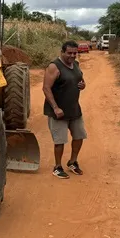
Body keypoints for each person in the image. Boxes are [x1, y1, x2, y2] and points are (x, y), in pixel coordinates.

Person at [43, 40, 87, 179]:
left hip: (74, 109)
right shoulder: (54, 67)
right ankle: (57, 167)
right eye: (69, 53)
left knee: (79, 136)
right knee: (60, 141)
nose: (73, 55)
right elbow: (46, 88)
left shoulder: (76, 65)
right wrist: (55, 108)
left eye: (75, 53)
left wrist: (83, 84)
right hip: (58, 111)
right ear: (62, 52)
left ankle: (72, 162)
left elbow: (80, 78)